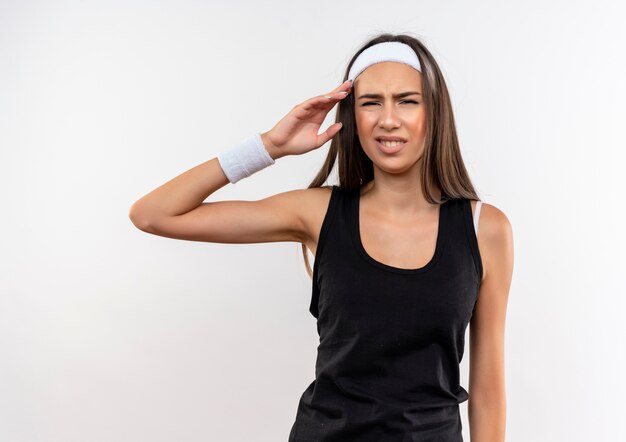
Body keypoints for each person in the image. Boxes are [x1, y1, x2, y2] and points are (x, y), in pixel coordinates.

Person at [129, 33, 514, 442]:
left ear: (434, 113)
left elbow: (487, 390)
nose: (388, 119)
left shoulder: (484, 228)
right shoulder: (317, 212)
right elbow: (153, 214)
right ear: (350, 117)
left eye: (407, 100)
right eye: (371, 102)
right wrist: (270, 146)